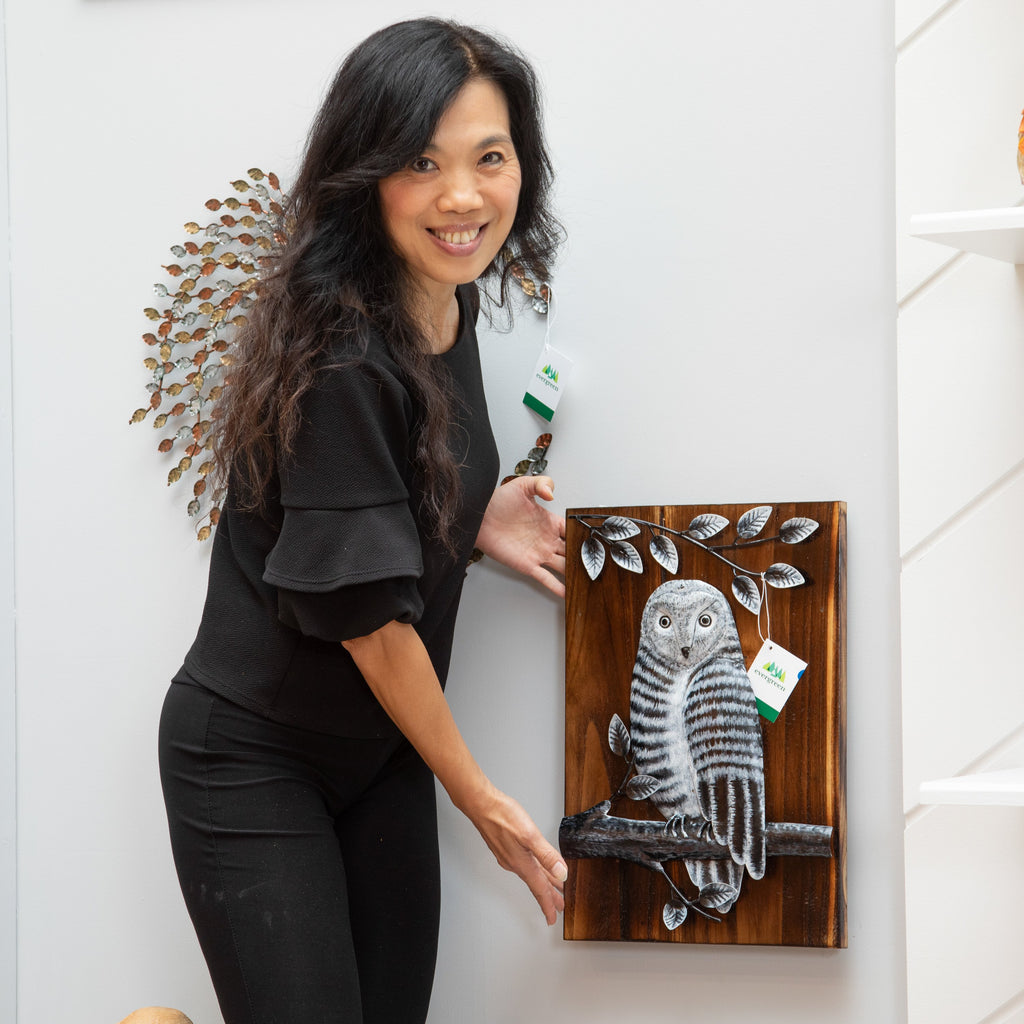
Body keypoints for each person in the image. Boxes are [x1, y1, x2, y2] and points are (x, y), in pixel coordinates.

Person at [157, 17, 567, 1024]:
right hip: (254, 755)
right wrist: (481, 800)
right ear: (364, 174)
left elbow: (376, 481)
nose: (462, 196)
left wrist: (471, 517)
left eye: (489, 157)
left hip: (378, 751)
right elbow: (370, 624)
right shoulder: (340, 348)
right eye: (421, 162)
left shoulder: (445, 302)